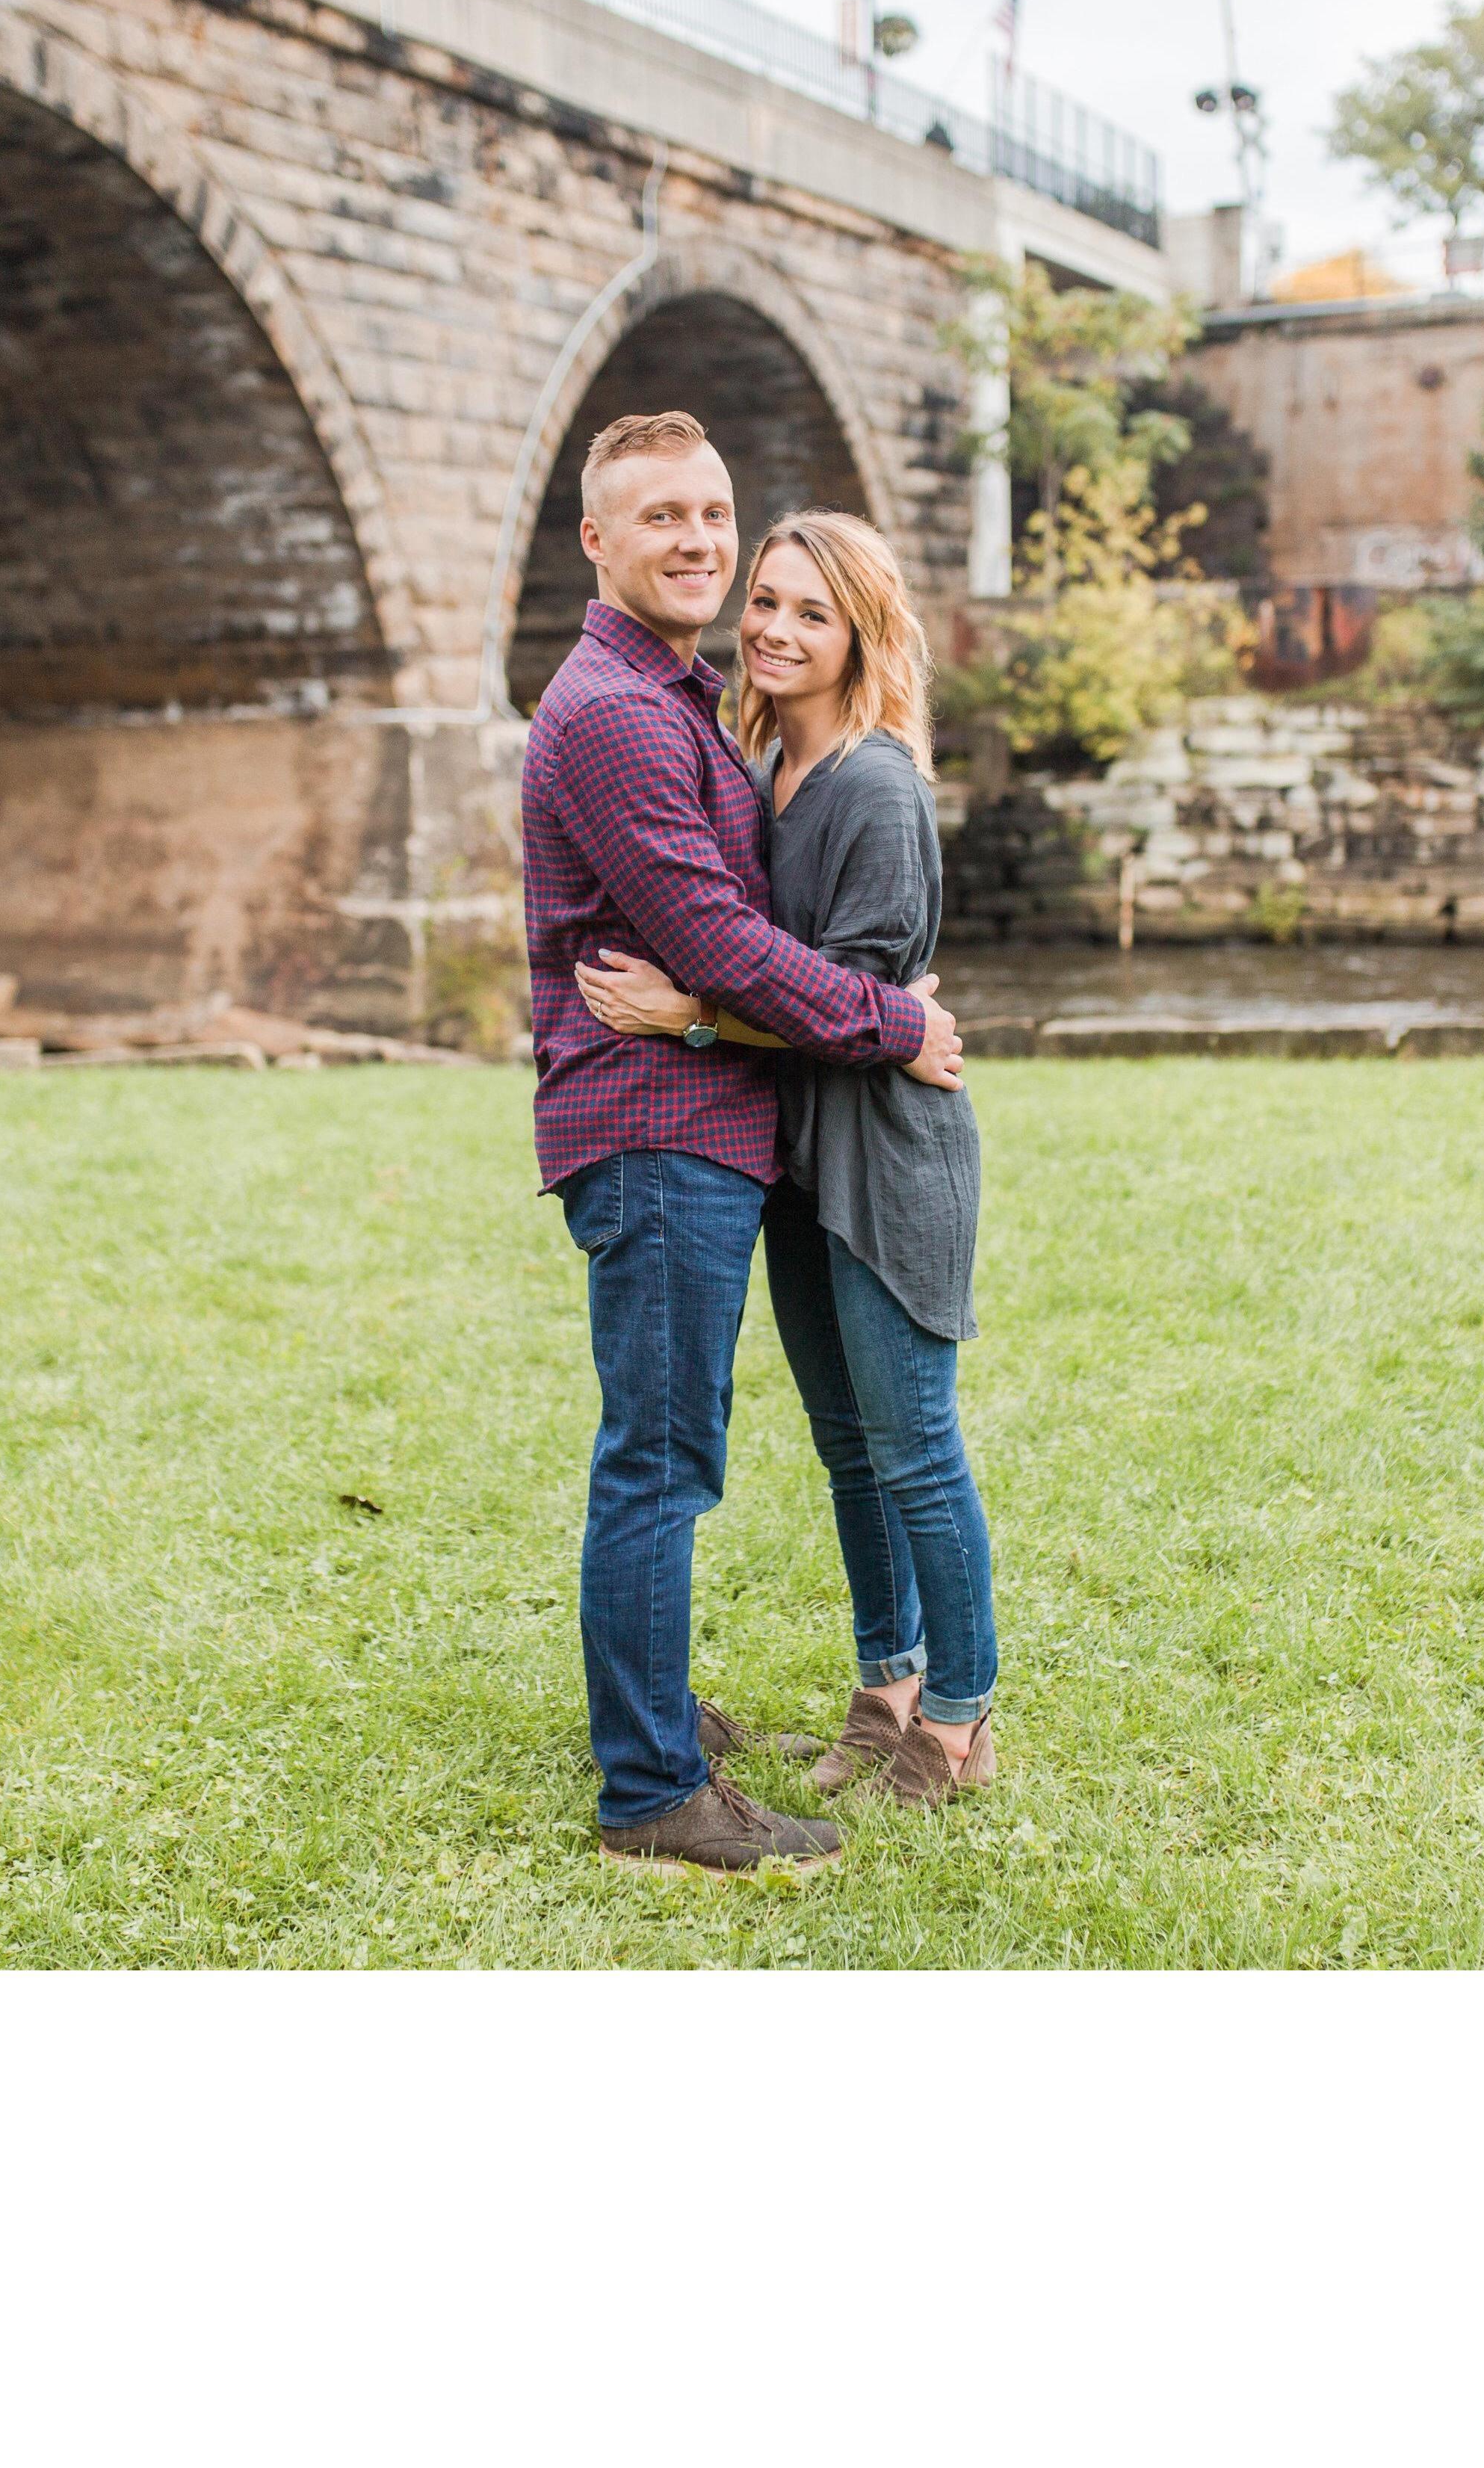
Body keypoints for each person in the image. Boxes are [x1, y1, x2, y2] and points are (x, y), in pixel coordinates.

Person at [519, 409, 968, 1878]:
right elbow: (717, 937)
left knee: (671, 1453)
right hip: (655, 1131)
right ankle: (654, 1789)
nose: (699, 541)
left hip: (702, 1127)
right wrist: (892, 1021)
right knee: (659, 1462)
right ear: (596, 539)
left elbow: (731, 937)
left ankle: (655, 1712)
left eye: (713, 513)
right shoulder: (618, 712)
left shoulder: (682, 699)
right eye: (663, 517)